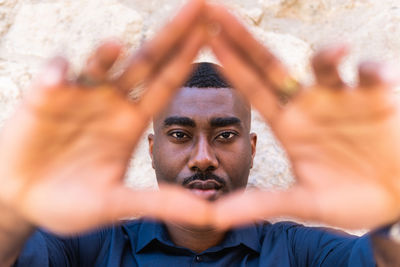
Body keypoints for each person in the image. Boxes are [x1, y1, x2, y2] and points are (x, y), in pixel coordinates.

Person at [1, 0, 400, 266]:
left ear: (253, 148)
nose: (203, 157)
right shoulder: (90, 248)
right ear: (153, 149)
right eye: (179, 135)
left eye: (225, 135)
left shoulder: (301, 253)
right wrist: (11, 204)